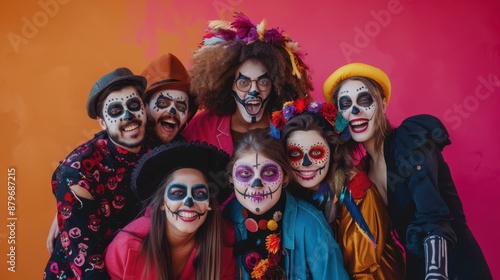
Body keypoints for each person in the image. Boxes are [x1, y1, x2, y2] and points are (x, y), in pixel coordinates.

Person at [323, 62, 493, 280]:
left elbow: (432, 216)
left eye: (364, 100)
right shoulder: (361, 172)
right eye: (345, 104)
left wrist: (435, 274)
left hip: (456, 266)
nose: (354, 111)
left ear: (382, 104)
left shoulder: (409, 140)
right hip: (414, 270)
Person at [275, 97, 405, 279]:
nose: (306, 163)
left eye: (316, 152)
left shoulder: (356, 191)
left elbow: (362, 271)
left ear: (332, 152)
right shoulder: (288, 191)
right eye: (295, 154)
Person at [44, 68, 150, 279]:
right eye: (115, 111)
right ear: (103, 122)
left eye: (133, 106)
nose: (128, 116)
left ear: (145, 109)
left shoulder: (155, 147)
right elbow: (85, 259)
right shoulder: (78, 172)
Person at [224, 128, 349, 279]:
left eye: (269, 173)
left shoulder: (310, 225)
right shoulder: (226, 219)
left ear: (285, 177)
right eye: (245, 174)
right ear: (231, 178)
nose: (256, 184)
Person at [182, 12, 313, 155]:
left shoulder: (290, 127)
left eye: (263, 82)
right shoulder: (201, 127)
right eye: (244, 82)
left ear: (276, 85)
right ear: (229, 85)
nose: (254, 90)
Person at [104, 141, 236, 280]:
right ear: (161, 202)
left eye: (199, 194)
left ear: (209, 203)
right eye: (178, 193)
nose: (189, 203)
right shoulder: (125, 248)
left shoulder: (224, 248)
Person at [140, 53, 198, 146]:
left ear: (188, 115)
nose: (172, 111)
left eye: (180, 106)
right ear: (145, 107)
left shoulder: (190, 155)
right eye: (163, 103)